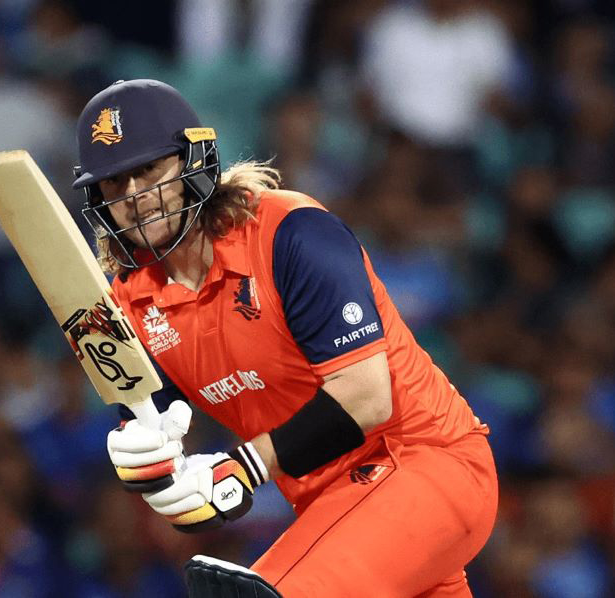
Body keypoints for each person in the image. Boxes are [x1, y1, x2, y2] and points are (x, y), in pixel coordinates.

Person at [71, 79, 498, 597]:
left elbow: (367, 396)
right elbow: (153, 426)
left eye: (148, 170)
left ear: (193, 162)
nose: (135, 197)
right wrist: (147, 466)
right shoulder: (128, 302)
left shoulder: (289, 232)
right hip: (334, 510)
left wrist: (242, 467)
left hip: (424, 466)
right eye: (114, 182)